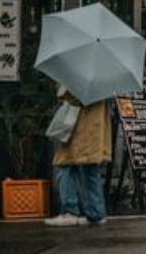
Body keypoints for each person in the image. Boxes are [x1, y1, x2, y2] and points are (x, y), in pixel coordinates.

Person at [44, 87, 112, 226]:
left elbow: (71, 96)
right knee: (90, 168)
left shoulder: (80, 74)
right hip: (95, 127)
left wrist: (62, 91)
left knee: (65, 164)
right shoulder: (105, 79)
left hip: (78, 125)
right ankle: (95, 213)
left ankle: (70, 211)